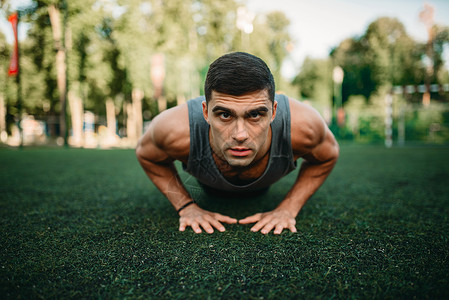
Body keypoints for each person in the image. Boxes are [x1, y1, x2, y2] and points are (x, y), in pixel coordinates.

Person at [136, 52, 339, 235]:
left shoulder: (305, 126)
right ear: (206, 112)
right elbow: (146, 155)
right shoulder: (174, 128)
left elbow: (327, 156)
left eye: (255, 115)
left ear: (274, 111)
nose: (240, 135)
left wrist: (288, 208)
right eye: (225, 114)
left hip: (263, 187)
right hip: (209, 188)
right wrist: (186, 206)